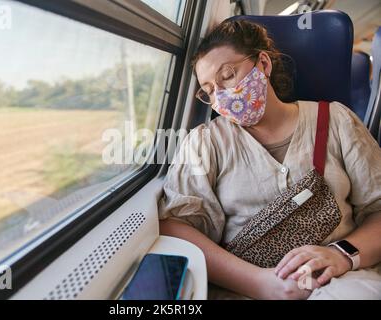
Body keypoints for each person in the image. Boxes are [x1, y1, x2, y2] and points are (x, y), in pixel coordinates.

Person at [157, 19, 381, 300]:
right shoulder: (204, 143)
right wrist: (260, 283)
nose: (221, 96)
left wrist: (342, 254)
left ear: (262, 64)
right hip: (244, 287)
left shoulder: (337, 120)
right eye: (210, 90)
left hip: (340, 281)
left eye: (227, 75)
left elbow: (378, 209)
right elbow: (176, 226)